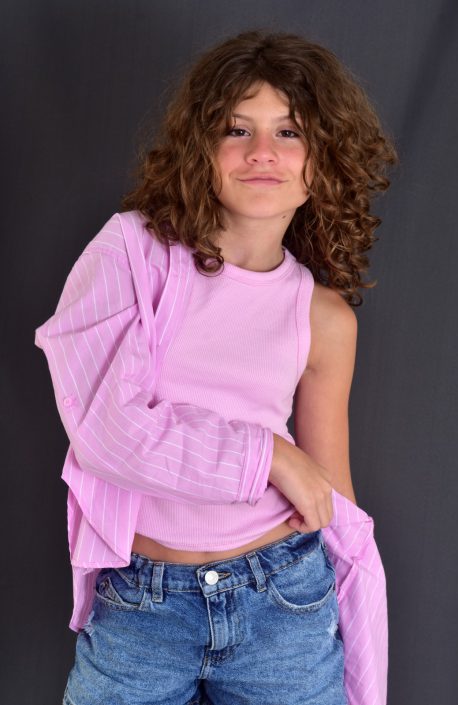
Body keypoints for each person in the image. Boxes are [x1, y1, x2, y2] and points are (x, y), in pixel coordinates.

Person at [35, 30, 397, 705]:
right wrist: (270, 457)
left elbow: (334, 505)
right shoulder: (130, 254)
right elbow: (108, 432)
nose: (263, 152)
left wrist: (364, 679)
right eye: (237, 129)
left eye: (290, 132)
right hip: (142, 608)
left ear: (325, 160)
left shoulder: (324, 318)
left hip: (284, 602)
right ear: (200, 148)